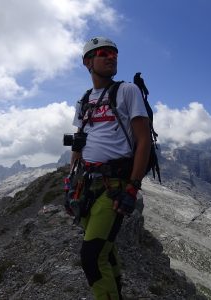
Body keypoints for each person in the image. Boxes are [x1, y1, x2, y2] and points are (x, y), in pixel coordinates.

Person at [69, 37, 151, 300]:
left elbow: (143, 140)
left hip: (113, 187)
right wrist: (70, 183)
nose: (111, 57)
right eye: (103, 53)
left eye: (114, 54)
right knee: (106, 249)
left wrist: (133, 187)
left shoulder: (127, 91)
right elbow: (78, 143)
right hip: (86, 184)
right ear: (87, 62)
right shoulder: (83, 100)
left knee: (91, 257)